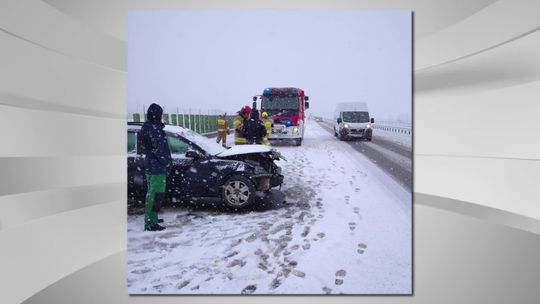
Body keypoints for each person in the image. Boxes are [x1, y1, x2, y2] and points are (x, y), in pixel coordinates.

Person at [139, 103, 172, 231]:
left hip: (152, 165)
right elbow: (158, 149)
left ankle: (153, 217)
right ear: (156, 114)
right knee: (156, 195)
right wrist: (167, 163)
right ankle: (150, 223)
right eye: (160, 114)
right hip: (157, 167)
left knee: (152, 193)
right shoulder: (154, 129)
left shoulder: (148, 127)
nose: (161, 116)